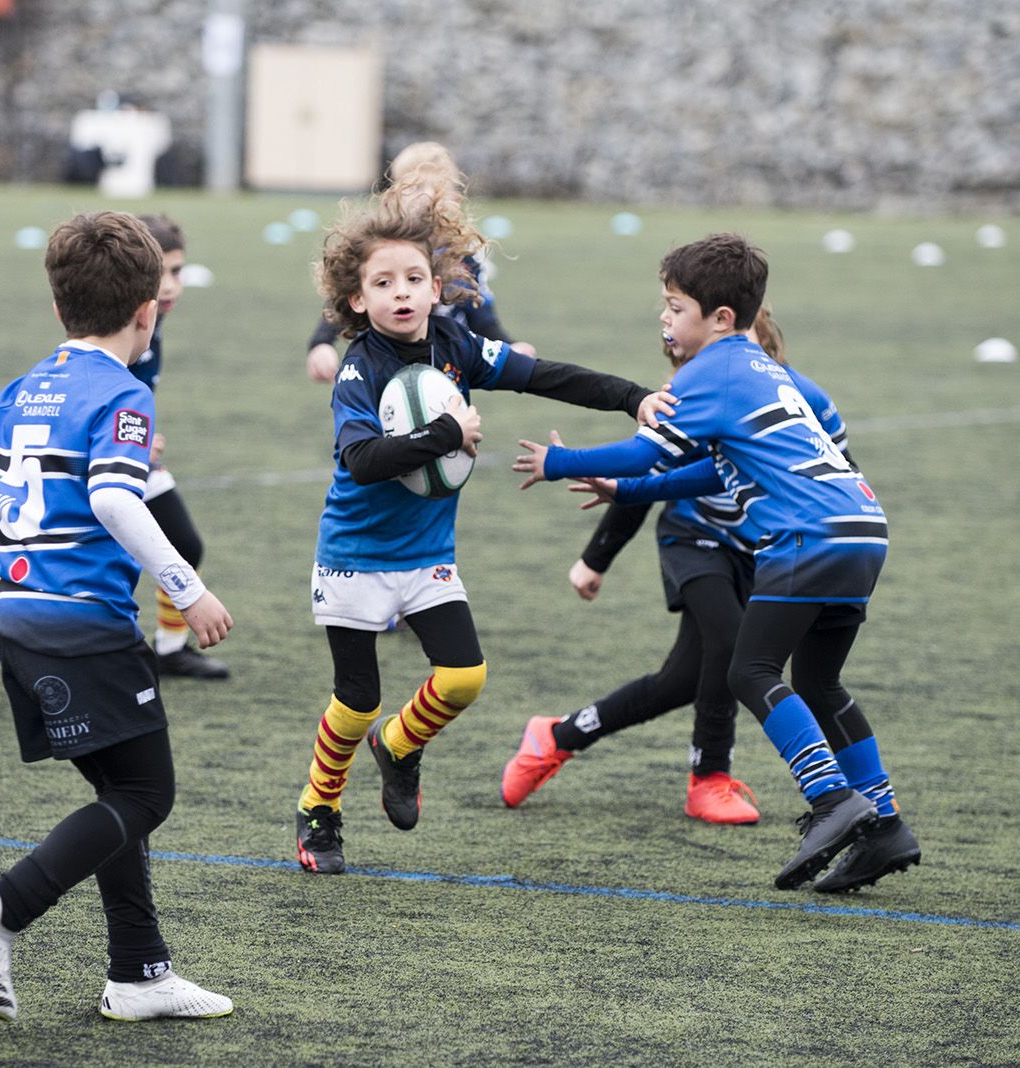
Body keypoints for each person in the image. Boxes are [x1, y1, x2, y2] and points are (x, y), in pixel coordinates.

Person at [512, 233, 920, 893]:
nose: (665, 321)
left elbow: (647, 452)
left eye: (675, 307)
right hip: (863, 529)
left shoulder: (709, 372)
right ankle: (886, 827)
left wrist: (561, 461)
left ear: (722, 318)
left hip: (804, 537)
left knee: (748, 669)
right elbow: (724, 469)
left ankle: (832, 801)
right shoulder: (788, 379)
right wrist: (630, 494)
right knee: (820, 684)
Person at [293, 180, 670, 875]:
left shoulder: (455, 344)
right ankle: (319, 809)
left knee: (463, 676)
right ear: (356, 299)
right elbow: (364, 459)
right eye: (383, 283)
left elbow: (541, 374)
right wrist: (445, 432)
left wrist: (631, 397)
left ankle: (399, 746)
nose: (401, 293)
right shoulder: (359, 371)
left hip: (427, 550)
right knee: (356, 699)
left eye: (414, 279)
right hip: (354, 555)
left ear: (437, 288)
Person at [0, 211, 234, 1022]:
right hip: (84, 623)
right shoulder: (123, 395)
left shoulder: (26, 385)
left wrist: (19, 531)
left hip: (20, 616)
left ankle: (138, 974)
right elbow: (111, 494)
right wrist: (187, 584)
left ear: (59, 305)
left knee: (116, 787)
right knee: (145, 794)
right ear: (149, 310)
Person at [501, 309, 850, 830]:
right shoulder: (695, 396)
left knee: (680, 680)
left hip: (757, 553)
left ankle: (556, 736)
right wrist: (595, 560)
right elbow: (644, 475)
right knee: (734, 647)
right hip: (695, 540)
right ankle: (709, 776)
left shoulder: (792, 402)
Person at [0, 214, 230, 680]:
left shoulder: (28, 385)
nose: (170, 285)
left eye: (178, 272)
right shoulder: (127, 336)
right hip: (98, 465)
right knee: (140, 541)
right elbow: (108, 438)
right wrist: (190, 593)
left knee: (159, 541)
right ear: (139, 305)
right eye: (162, 272)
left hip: (111, 457)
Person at [304, 141, 535, 383]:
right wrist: (321, 343)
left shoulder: (463, 257)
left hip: (442, 369)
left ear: (454, 199)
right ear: (392, 196)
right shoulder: (378, 248)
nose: (424, 196)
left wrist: (511, 347)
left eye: (435, 188)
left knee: (451, 419)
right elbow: (342, 300)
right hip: (379, 362)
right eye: (412, 187)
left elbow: (481, 317)